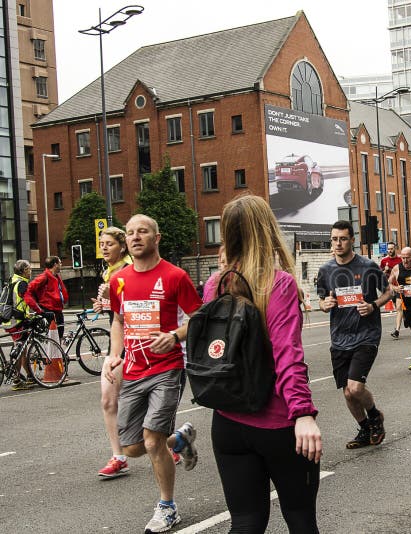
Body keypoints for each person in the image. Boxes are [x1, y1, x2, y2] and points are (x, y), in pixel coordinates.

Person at [208, 195, 322, 532]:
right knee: (301, 520)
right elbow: (288, 355)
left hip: (228, 422)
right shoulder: (279, 284)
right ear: (267, 230)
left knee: (245, 523)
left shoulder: (215, 285)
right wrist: (302, 413)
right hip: (276, 423)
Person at [104, 214, 203, 533]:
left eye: (142, 231)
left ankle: (167, 507)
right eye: (130, 233)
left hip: (167, 368)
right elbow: (118, 320)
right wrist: (114, 355)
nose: (135, 237)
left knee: (150, 441)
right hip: (134, 370)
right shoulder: (119, 280)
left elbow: (199, 317)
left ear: (156, 238)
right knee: (132, 447)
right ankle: (180, 439)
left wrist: (174, 336)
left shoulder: (175, 276)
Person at [317, 220, 392, 449]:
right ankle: (365, 429)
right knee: (348, 394)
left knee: (356, 387)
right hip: (339, 338)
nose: (338, 243)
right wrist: (325, 304)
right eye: (334, 239)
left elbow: (388, 292)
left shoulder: (367, 266)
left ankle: (375, 416)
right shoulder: (326, 270)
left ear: (352, 240)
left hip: (366, 335)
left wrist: (373, 305)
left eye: (343, 239)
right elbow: (321, 300)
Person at [90, 226, 135, 479]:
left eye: (109, 244)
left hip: (138, 342)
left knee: (141, 403)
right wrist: (104, 303)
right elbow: (117, 313)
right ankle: (119, 457)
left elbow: (138, 306)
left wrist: (112, 296)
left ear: (122, 246)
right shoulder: (108, 272)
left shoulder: (130, 269)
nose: (104, 248)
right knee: (108, 400)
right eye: (102, 244)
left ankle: (171, 442)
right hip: (117, 345)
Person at [2, 260, 36, 390]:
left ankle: (29, 376)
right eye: (29, 269)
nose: (31, 271)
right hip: (16, 321)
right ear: (24, 271)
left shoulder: (12, 280)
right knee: (19, 351)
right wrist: (40, 311)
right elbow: (28, 300)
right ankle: (16, 380)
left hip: (11, 319)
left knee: (23, 350)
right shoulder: (21, 283)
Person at [24, 255, 68, 339]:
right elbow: (28, 290)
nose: (61, 264)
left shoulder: (56, 276)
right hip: (49, 310)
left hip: (57, 310)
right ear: (55, 264)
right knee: (54, 338)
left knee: (59, 336)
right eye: (60, 263)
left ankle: (56, 348)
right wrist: (38, 308)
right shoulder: (44, 276)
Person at [380, 242, 403, 340]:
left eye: (391, 249)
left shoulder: (400, 260)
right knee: (398, 308)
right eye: (388, 249)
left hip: (399, 287)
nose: (389, 251)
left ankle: (397, 330)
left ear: (395, 249)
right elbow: (379, 274)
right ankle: (405, 318)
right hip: (390, 288)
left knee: (399, 307)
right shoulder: (384, 261)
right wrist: (385, 271)